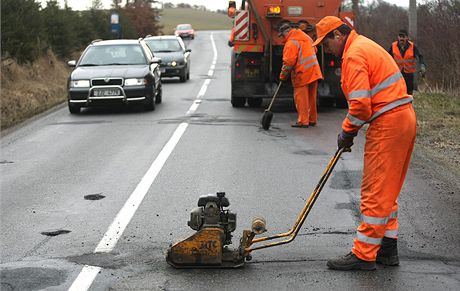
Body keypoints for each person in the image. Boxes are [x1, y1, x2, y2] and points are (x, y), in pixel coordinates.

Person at [312, 16, 416, 270]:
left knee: (374, 191)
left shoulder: (355, 54)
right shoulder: (365, 46)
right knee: (387, 190)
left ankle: (364, 254)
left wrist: (347, 132)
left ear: (338, 35)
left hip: (389, 124)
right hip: (402, 119)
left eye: (326, 45)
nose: (327, 51)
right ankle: (387, 249)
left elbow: (360, 106)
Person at [278, 23, 323, 128]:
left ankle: (303, 121)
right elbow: (315, 50)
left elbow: (288, 63)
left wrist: (282, 76)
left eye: (282, 35)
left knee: (301, 98)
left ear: (286, 32)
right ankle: (312, 119)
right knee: (311, 98)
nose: (283, 38)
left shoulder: (291, 43)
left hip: (302, 73)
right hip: (314, 71)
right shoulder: (306, 37)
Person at [388, 29, 426, 94]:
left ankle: (408, 104)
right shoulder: (393, 46)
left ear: (407, 37)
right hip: (397, 74)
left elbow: (420, 56)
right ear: (398, 37)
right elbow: (387, 57)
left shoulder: (412, 46)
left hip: (409, 75)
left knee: (409, 93)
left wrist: (422, 66)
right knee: (398, 92)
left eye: (403, 37)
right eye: (400, 36)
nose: (401, 38)